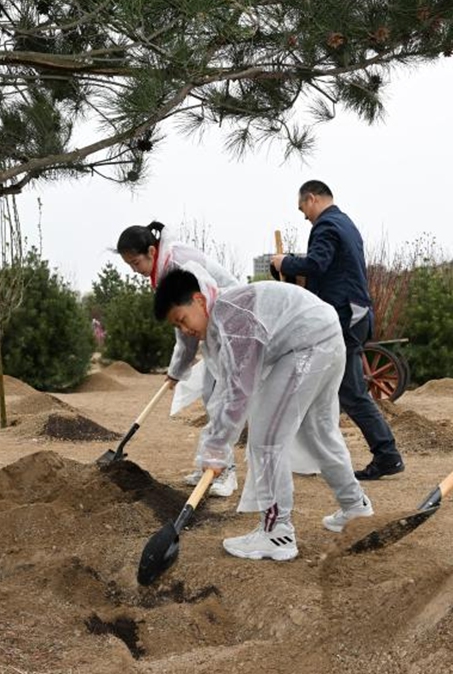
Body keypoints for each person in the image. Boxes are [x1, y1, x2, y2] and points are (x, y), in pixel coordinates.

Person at [154, 269, 372, 561]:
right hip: (326, 337)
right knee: (319, 432)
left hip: (308, 345)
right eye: (177, 326)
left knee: (266, 439)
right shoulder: (223, 312)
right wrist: (217, 441)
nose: (185, 330)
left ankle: (276, 531)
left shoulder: (231, 316)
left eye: (183, 319)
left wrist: (217, 446)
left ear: (198, 299)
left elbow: (239, 390)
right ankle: (355, 507)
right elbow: (235, 385)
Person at [272, 180, 405, 481]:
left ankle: (387, 455)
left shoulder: (327, 225)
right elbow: (327, 268)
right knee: (337, 390)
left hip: (345, 316)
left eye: (302, 208)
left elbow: (318, 263)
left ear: (312, 198)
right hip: (352, 313)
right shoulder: (344, 223)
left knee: (352, 392)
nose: (303, 215)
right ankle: (321, 454)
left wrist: (285, 262)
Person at [117, 221, 241, 497]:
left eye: (136, 263)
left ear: (151, 250)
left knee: (220, 400)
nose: (134, 270)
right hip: (214, 326)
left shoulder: (176, 267)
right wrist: (177, 369)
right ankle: (209, 467)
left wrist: (177, 369)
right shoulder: (168, 262)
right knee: (212, 398)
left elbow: (186, 330)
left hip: (229, 324)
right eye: (130, 265)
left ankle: (225, 473)